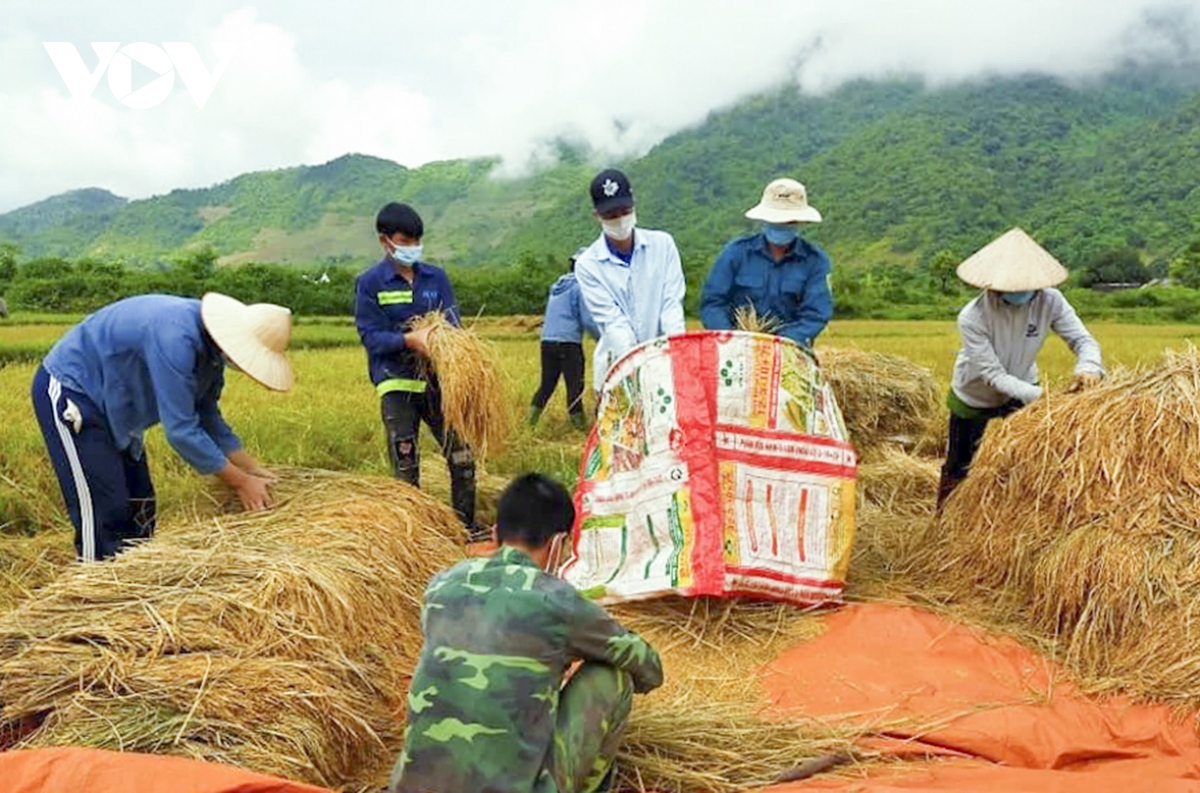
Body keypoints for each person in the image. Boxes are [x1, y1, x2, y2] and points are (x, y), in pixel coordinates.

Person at [389, 473, 663, 793]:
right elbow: (647, 664)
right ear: (559, 542)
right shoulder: (557, 600)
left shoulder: (442, 585)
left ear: (495, 533)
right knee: (611, 676)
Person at [30, 292, 292, 561]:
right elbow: (181, 430)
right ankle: (95, 591)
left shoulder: (211, 356)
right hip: (74, 391)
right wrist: (241, 482)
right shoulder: (176, 337)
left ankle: (136, 583)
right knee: (105, 511)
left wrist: (253, 469)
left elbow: (208, 416)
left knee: (141, 508)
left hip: (118, 408)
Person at [937, 228, 1104, 507]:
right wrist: (1044, 398)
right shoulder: (973, 316)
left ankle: (1018, 514)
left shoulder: (1051, 301)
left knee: (1029, 459)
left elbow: (1082, 340)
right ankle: (944, 523)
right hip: (976, 392)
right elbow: (992, 375)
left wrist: (1088, 367)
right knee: (960, 465)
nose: (1018, 292)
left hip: (1025, 386)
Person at [354, 202, 479, 536]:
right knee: (406, 463)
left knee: (463, 456)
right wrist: (411, 340)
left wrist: (443, 341)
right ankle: (416, 535)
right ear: (385, 242)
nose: (412, 247)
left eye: (416, 240)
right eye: (404, 240)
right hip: (396, 384)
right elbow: (371, 338)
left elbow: (452, 321)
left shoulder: (435, 278)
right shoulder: (370, 283)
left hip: (440, 382)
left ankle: (466, 526)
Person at [574, 168, 686, 393]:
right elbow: (613, 323)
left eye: (624, 211)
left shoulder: (663, 245)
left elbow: (671, 305)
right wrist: (638, 373)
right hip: (617, 368)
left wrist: (678, 356)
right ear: (596, 216)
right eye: (610, 215)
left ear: (634, 206)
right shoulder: (588, 265)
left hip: (666, 366)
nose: (619, 220)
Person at [700, 177, 833, 350]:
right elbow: (713, 303)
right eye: (776, 220)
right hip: (735, 349)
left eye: (788, 221)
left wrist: (778, 345)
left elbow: (815, 315)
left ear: (799, 222)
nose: (781, 225)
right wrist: (732, 339)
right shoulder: (736, 253)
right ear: (764, 219)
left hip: (790, 351)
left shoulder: (815, 261)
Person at [529, 247, 600, 430]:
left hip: (547, 342)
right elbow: (587, 319)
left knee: (547, 385)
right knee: (575, 386)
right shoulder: (580, 288)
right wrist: (603, 338)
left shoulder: (557, 287)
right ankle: (580, 429)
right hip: (568, 343)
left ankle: (528, 426)